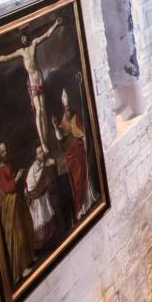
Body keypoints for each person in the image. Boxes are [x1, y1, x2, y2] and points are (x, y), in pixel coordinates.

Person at [0, 19, 60, 152]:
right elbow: (6, 58)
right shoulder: (21, 52)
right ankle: (43, 143)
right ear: (21, 40)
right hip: (33, 83)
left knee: (43, 111)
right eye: (22, 38)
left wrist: (55, 24)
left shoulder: (34, 44)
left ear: (28, 38)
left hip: (40, 80)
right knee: (38, 111)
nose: (24, 39)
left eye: (25, 37)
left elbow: (47, 35)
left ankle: (46, 141)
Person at [53, 88, 99, 220]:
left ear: (70, 105)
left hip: (79, 153)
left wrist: (85, 147)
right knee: (76, 182)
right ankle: (81, 207)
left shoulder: (75, 116)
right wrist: (56, 127)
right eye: (65, 106)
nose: (66, 108)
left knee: (84, 178)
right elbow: (62, 136)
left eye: (68, 106)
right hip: (71, 157)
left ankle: (89, 200)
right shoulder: (64, 119)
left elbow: (82, 133)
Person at [0, 142, 33, 283]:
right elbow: (5, 188)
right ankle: (22, 270)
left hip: (17, 203)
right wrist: (16, 179)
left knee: (26, 225)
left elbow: (15, 179)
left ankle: (29, 258)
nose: (5, 153)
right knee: (18, 235)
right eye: (2, 151)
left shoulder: (9, 163)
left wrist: (21, 185)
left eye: (6, 150)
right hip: (9, 208)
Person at [25, 146, 56, 252]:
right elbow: (30, 186)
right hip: (36, 200)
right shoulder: (32, 169)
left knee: (48, 221)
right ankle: (41, 246)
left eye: (42, 152)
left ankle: (50, 242)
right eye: (39, 153)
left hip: (43, 196)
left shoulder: (45, 164)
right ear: (36, 156)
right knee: (40, 226)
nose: (42, 154)